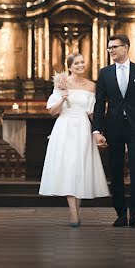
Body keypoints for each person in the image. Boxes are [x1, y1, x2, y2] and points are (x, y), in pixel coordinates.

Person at [92, 35, 135, 227]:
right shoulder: (105, 73)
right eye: (109, 48)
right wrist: (97, 130)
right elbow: (99, 104)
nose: (111, 50)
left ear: (126, 47)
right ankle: (120, 213)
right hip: (114, 127)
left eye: (114, 47)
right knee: (116, 171)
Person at [39, 53, 110, 227]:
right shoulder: (62, 83)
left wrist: (99, 132)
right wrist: (62, 100)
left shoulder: (92, 86)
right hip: (64, 128)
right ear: (69, 67)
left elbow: (94, 113)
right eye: (76, 63)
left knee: (80, 169)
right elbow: (52, 112)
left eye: (82, 62)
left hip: (83, 128)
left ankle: (76, 213)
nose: (80, 65)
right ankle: (73, 214)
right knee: (69, 168)